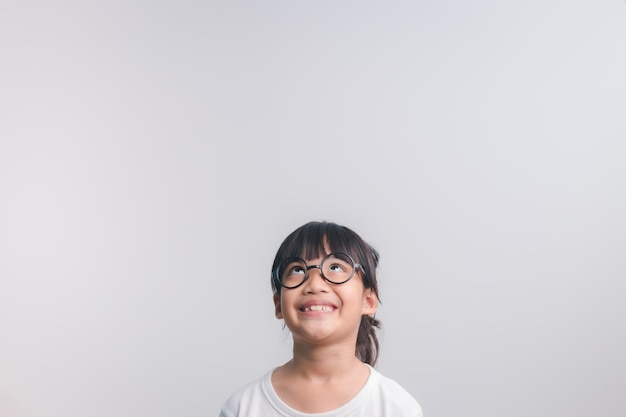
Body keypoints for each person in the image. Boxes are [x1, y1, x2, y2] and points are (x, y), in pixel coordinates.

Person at [219, 221, 422, 416]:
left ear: (368, 301)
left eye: (335, 267)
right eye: (297, 270)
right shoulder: (241, 408)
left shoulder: (397, 409)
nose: (315, 285)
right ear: (278, 304)